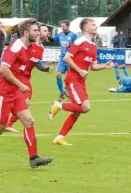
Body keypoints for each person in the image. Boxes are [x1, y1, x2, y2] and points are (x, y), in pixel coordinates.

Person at [0, 19, 53, 168]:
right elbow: (3, 70)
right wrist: (21, 84)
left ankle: (34, 157)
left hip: (16, 92)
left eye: (38, 30)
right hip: (4, 92)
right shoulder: (15, 47)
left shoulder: (32, 47)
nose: (37, 33)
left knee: (29, 121)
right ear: (26, 33)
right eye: (35, 31)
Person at [48, 18, 115, 146]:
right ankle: (58, 105)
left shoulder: (94, 46)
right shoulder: (79, 41)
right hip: (73, 80)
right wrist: (79, 70)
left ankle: (59, 137)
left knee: (78, 111)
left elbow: (93, 66)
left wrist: (103, 66)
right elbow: (67, 58)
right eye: (93, 24)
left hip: (81, 81)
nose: (96, 26)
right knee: (85, 107)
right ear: (85, 28)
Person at [6, 24, 53, 131]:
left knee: (24, 103)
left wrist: (45, 69)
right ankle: (7, 122)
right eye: (44, 31)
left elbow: (36, 63)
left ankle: (8, 123)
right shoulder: (28, 45)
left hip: (27, 78)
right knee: (24, 102)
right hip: (19, 76)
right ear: (37, 33)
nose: (47, 33)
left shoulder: (41, 48)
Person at [54, 20, 77, 101]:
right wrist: (46, 36)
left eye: (63, 26)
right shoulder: (60, 34)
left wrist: (70, 45)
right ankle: (62, 93)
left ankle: (71, 95)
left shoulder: (73, 35)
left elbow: (76, 46)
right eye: (61, 26)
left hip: (70, 59)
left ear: (68, 26)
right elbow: (53, 40)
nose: (62, 27)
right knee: (58, 75)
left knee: (69, 79)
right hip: (62, 58)